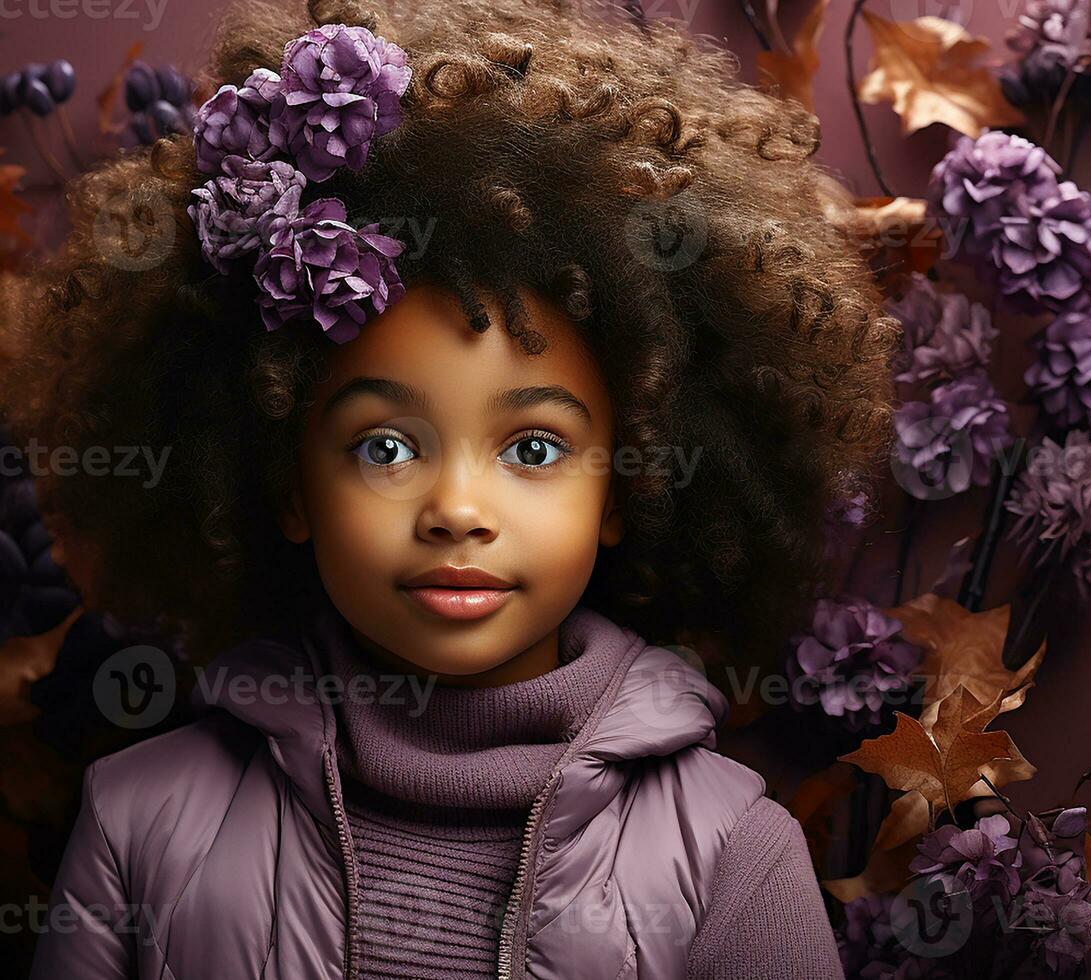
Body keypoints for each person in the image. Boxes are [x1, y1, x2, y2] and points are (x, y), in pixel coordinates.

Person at [9, 0, 899, 977]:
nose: (457, 509)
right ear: (286, 482)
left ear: (623, 486)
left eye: (533, 448)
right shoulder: (139, 827)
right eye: (386, 447)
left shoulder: (733, 857)